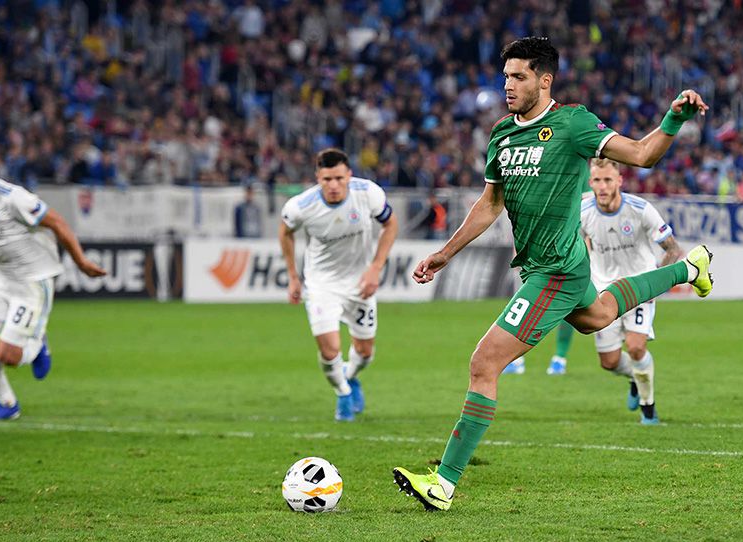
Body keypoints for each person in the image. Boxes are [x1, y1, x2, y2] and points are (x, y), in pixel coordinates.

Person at [392, 37, 713, 510]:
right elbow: (490, 203)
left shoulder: (572, 123)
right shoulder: (502, 134)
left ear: (545, 80)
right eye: (505, 76)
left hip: (557, 271)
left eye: (519, 76)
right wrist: (446, 252)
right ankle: (690, 267)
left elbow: (643, 155)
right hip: (549, 266)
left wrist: (674, 119)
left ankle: (444, 483)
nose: (508, 85)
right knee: (599, 314)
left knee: (484, 364)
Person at [0, 138, 107, 421]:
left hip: (33, 278)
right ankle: (7, 404)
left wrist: (81, 261)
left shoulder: (11, 197)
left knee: (9, 355)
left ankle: (38, 345)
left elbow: (56, 221)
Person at [279, 148, 398, 421]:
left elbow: (390, 224)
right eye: (326, 180)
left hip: (360, 283)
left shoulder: (368, 194)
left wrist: (375, 268)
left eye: (339, 178)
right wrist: (293, 277)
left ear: (349, 175)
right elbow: (285, 231)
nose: (333, 185)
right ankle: (343, 393)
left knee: (366, 353)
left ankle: (350, 375)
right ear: (317, 178)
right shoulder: (301, 206)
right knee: (330, 348)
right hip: (322, 285)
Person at [581, 158, 684, 424]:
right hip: (603, 295)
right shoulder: (582, 211)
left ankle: (648, 410)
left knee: (636, 347)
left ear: (619, 181)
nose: (602, 187)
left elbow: (673, 249)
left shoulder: (640, 209)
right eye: (597, 180)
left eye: (607, 180)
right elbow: (577, 246)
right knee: (609, 362)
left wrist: (655, 282)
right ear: (590, 181)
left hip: (638, 289)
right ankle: (635, 379)